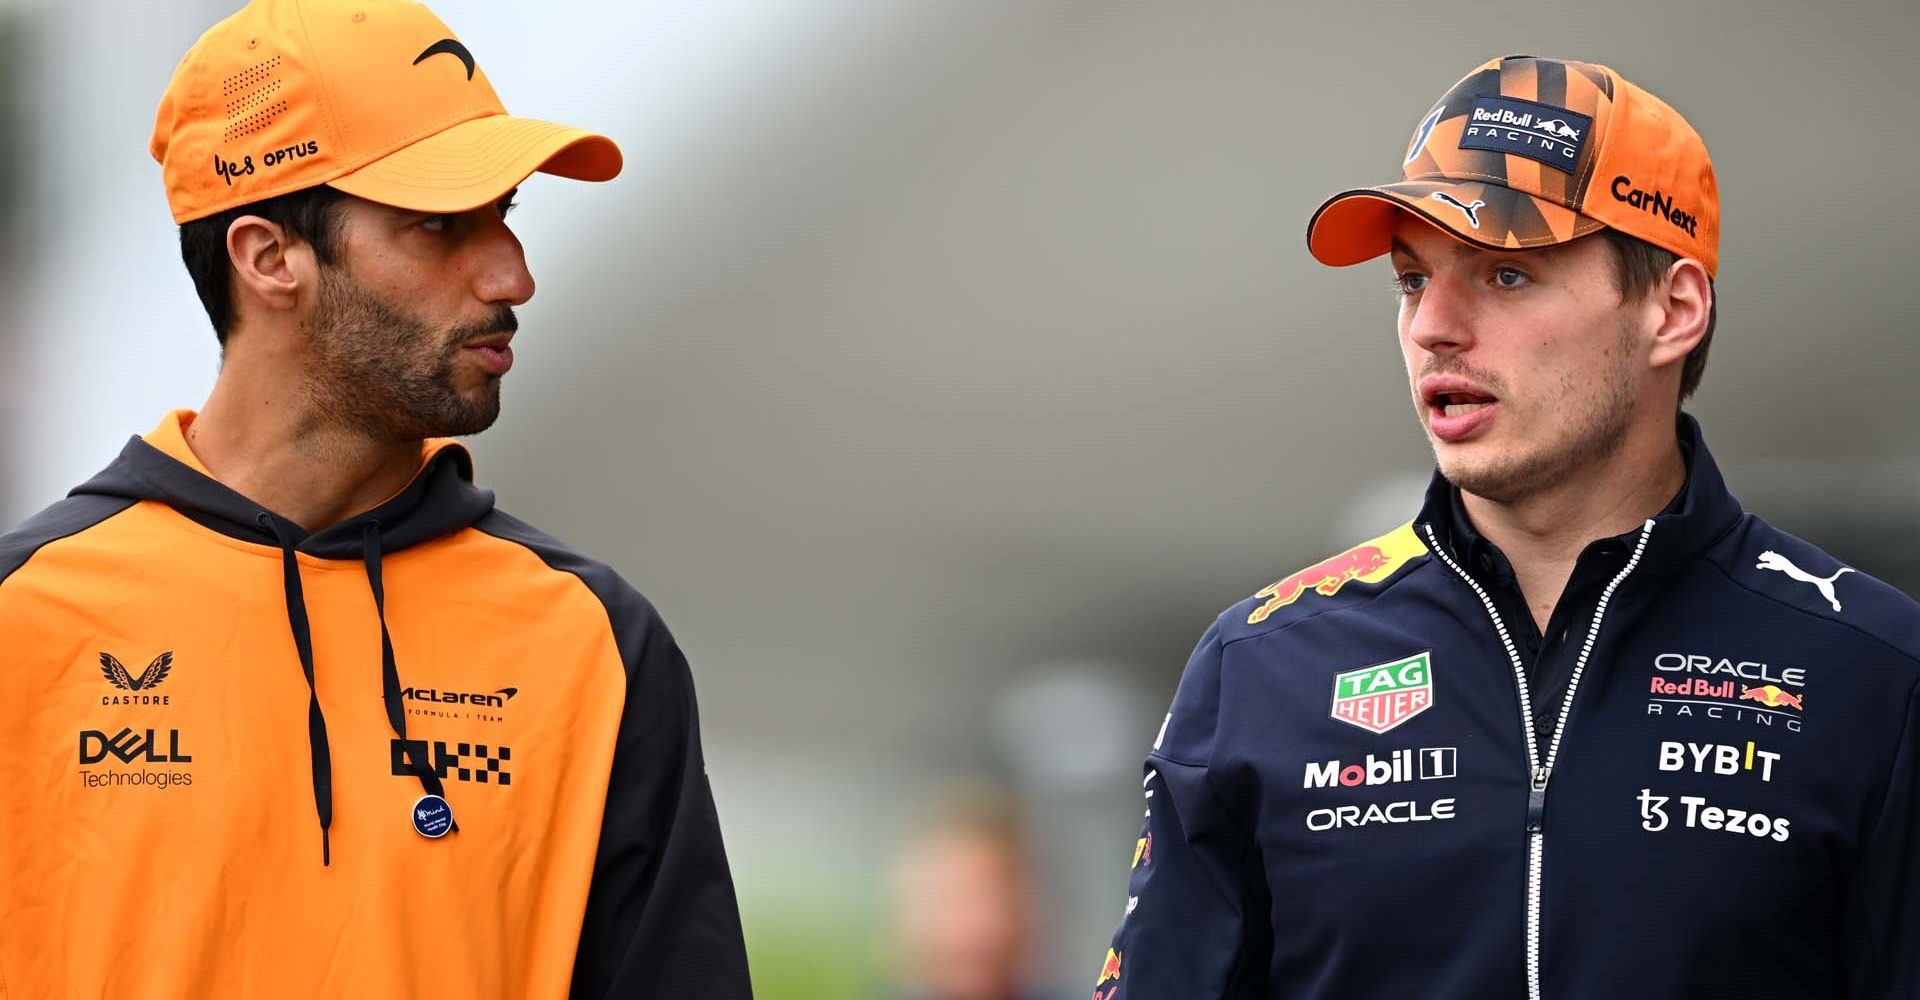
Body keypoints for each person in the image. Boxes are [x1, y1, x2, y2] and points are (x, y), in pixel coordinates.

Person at [1092, 55, 1920, 1000]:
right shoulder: (1262, 665)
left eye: (1507, 275)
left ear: (1672, 310)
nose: (1433, 326)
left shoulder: (1873, 670)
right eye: (1411, 281)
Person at [0, 1, 752, 997]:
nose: (512, 274)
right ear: (269, 257)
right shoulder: (26, 620)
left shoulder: (594, 644)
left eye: (506, 215)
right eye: (441, 224)